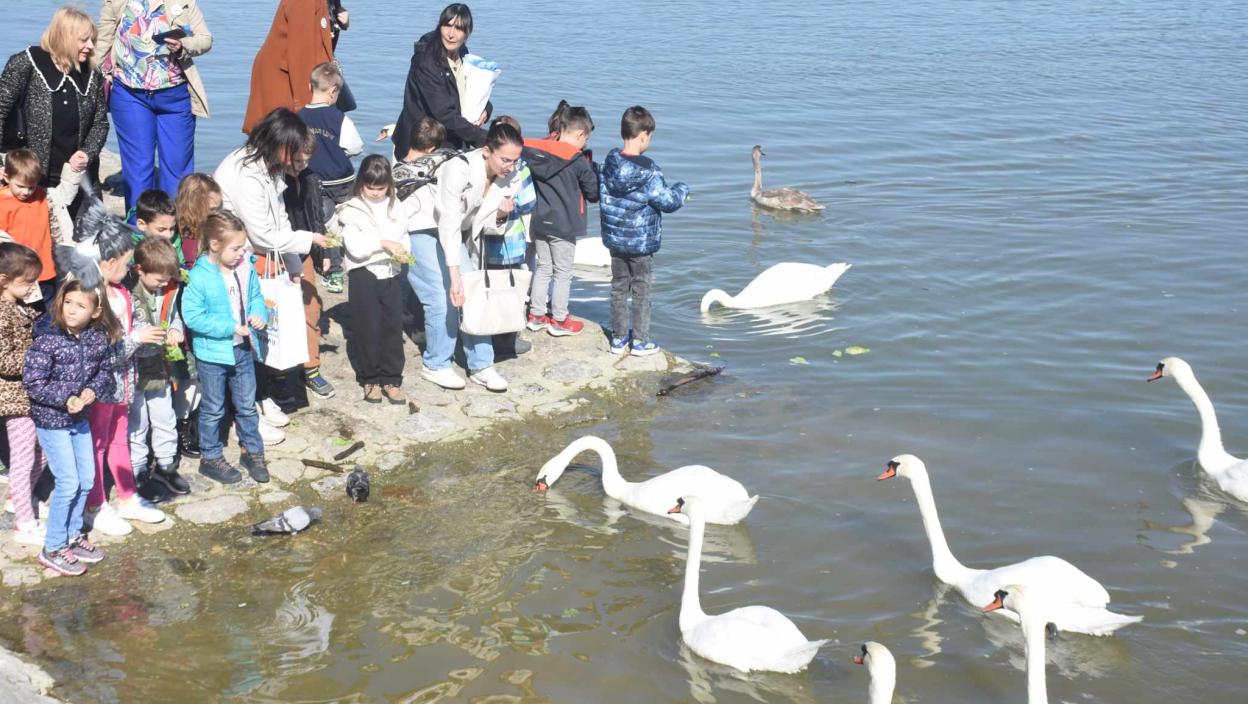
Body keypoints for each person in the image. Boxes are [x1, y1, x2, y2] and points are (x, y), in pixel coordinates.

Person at [214, 109, 334, 404]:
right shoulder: (246, 175)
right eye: (291, 151)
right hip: (237, 252)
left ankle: (272, 380)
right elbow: (263, 236)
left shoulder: (268, 164)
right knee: (251, 318)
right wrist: (311, 238)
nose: (293, 160)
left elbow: (279, 217)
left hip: (261, 248)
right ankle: (256, 394)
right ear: (278, 143)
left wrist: (293, 263)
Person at [415, 121, 524, 392]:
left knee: (473, 292)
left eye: (515, 160)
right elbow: (449, 222)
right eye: (505, 159)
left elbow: (478, 224)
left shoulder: (511, 176)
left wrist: (500, 215)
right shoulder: (459, 168)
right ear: (487, 151)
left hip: (455, 230)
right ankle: (436, 364)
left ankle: (481, 365)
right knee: (444, 297)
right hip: (420, 223)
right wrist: (454, 276)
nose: (510, 166)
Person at [23, 280, 114, 576]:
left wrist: (90, 392)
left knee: (86, 479)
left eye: (81, 305)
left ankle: (74, 535)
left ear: (96, 311)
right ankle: (52, 547)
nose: (72, 310)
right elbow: (34, 383)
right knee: (68, 482)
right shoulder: (47, 340)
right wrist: (67, 397)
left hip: (79, 419)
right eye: (68, 302)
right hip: (52, 421)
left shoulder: (96, 339)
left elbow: (104, 373)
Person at [86, 222, 169, 537]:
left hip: (124, 381)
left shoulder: (121, 291)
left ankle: (127, 496)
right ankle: (94, 504)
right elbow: (97, 350)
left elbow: (134, 330)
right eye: (125, 264)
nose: (130, 269)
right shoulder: (90, 297)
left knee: (120, 436)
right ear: (108, 263)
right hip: (101, 385)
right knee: (97, 442)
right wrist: (136, 337)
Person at [97, 0, 212, 218]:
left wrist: (182, 45)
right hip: (130, 95)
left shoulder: (183, 2)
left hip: (176, 97)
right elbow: (102, 42)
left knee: (178, 170)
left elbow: (205, 39)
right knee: (138, 170)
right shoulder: (118, 3)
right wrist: (84, 74)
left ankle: (179, 232)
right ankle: (138, 234)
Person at [181, 210, 270, 485]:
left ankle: (252, 451)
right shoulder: (199, 276)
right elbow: (193, 316)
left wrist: (259, 315)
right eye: (235, 248)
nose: (241, 253)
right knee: (213, 407)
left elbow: (256, 297)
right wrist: (230, 326)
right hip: (212, 353)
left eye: (243, 247)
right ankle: (210, 457)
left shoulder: (244, 268)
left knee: (246, 404)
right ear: (215, 245)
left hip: (243, 348)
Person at [599, 106, 689, 357]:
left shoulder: (608, 164)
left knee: (618, 287)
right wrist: (682, 189)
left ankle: (618, 339)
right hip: (641, 243)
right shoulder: (649, 171)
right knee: (642, 290)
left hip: (615, 240)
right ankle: (639, 341)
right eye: (650, 136)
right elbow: (668, 202)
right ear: (643, 135)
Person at [0, 6, 109, 187]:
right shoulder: (26, 63)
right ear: (64, 38)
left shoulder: (92, 73)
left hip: (76, 177)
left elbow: (100, 123)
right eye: (84, 40)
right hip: (29, 174)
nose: (91, 46)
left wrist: (86, 153)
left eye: (93, 40)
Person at [334, 155, 411, 403]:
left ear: (389, 184)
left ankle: (391, 377)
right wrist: (384, 244)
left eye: (381, 188)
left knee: (392, 326)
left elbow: (404, 234)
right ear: (361, 184)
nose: (376, 193)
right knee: (368, 327)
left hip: (390, 272)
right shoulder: (352, 209)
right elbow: (356, 248)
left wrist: (403, 250)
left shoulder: (396, 206)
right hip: (363, 273)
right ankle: (370, 379)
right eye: (370, 188)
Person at [523, 102, 599, 337]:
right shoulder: (577, 162)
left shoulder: (536, 153)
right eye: (584, 139)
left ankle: (536, 315)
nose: (584, 144)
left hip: (539, 221)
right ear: (579, 134)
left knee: (544, 267)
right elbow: (594, 194)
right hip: (564, 225)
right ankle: (559, 319)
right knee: (563, 272)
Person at [128, 237, 190, 497]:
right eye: (159, 280)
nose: (164, 285)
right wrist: (139, 335)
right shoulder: (127, 291)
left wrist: (175, 329)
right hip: (134, 364)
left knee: (164, 415)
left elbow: (174, 315)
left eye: (168, 280)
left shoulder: (169, 288)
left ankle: (166, 464)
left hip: (159, 364)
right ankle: (138, 468)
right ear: (139, 270)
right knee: (138, 418)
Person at [391, 4, 490, 158]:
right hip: (421, 144)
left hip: (448, 140)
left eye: (458, 28)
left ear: (467, 33)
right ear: (440, 26)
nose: (451, 34)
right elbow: (444, 113)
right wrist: (485, 138)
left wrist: (486, 108)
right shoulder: (427, 60)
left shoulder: (461, 51)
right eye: (447, 26)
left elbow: (466, 88)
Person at [298, 61, 363, 294]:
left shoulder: (299, 117)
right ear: (334, 91)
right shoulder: (338, 118)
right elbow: (356, 146)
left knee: (327, 223)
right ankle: (351, 261)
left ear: (309, 85)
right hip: (343, 180)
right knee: (349, 220)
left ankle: (331, 268)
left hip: (314, 181)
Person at [0, 243, 45, 546]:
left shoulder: (22, 307)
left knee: (43, 450)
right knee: (23, 456)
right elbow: (4, 359)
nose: (32, 287)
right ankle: (25, 524)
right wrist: (38, 358)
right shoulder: (2, 313)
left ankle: (18, 498)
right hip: (14, 397)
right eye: (26, 282)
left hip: (31, 392)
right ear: (3, 279)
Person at [0, 148, 86, 304]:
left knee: (49, 313)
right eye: (20, 186)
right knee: (24, 313)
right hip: (18, 275)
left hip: (47, 270)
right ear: (6, 177)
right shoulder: (2, 203)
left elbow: (65, 194)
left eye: (31, 187)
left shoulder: (43, 196)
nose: (26, 192)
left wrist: (73, 169)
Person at [242, 0, 334, 134]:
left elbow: (321, 46)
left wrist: (337, 22)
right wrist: (308, 110)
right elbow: (301, 54)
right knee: (277, 138)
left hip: (292, 73)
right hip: (284, 80)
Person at [130, 189, 186, 268]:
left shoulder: (175, 240)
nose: (169, 235)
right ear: (142, 225)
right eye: (161, 230)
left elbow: (182, 266)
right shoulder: (130, 248)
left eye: (172, 228)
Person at [174, 172, 221, 264]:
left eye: (219, 208)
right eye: (212, 209)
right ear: (194, 207)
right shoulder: (188, 238)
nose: (217, 214)